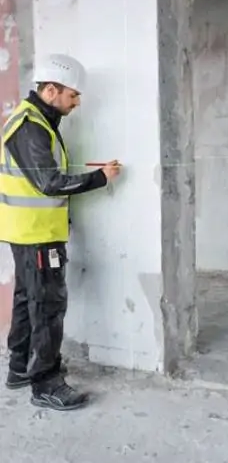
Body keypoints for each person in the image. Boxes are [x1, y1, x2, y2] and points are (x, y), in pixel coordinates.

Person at [0, 53, 122, 411]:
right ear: (51, 90)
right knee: (48, 306)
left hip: (28, 231)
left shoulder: (35, 121)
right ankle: (46, 383)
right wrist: (100, 178)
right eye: (73, 94)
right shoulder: (31, 126)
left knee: (28, 300)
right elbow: (49, 183)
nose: (77, 102)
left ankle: (20, 368)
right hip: (37, 234)